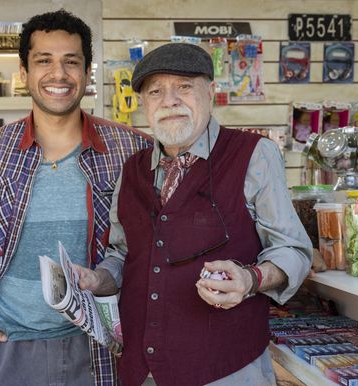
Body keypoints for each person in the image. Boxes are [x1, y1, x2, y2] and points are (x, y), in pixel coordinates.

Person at [0, 10, 150, 386]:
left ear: (87, 71)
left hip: (106, 345)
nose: (59, 74)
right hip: (9, 347)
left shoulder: (132, 149)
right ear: (24, 72)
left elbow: (153, 242)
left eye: (71, 61)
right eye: (43, 61)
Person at [77, 43, 312, 385]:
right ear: (145, 104)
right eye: (156, 91)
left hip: (228, 370)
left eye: (184, 87)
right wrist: (99, 280)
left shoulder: (254, 154)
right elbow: (124, 254)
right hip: (143, 372)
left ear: (211, 91)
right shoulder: (132, 170)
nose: (169, 101)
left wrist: (250, 279)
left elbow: (293, 250)